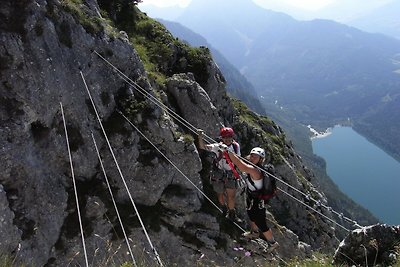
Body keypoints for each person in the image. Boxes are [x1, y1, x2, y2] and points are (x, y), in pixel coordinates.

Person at [224, 146, 279, 251]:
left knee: (261, 222)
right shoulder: (252, 165)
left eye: (256, 157)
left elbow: (241, 166)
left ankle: (272, 243)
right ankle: (254, 233)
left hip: (258, 200)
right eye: (252, 155)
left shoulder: (255, 170)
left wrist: (229, 151)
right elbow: (241, 161)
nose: (252, 158)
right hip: (252, 197)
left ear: (261, 159)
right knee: (251, 214)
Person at [197, 127, 243, 223]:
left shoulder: (235, 146)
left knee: (231, 196)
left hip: (230, 173)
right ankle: (224, 209)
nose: (227, 139)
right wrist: (200, 136)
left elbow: (238, 159)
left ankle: (232, 213)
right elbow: (203, 147)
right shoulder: (217, 146)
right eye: (225, 137)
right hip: (218, 172)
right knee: (220, 194)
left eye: (229, 137)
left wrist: (227, 152)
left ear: (232, 137)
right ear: (221, 138)